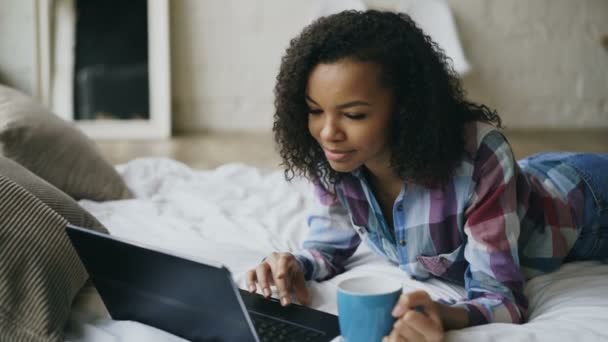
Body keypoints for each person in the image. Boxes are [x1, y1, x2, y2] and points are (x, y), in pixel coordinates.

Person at [246, 10, 608, 341]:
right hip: (530, 180)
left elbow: (503, 301)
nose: (327, 132)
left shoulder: (479, 155)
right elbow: (329, 246)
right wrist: (294, 266)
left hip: (590, 204)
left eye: (353, 115)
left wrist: (443, 313)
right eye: (314, 111)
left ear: (405, 109)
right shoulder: (339, 156)